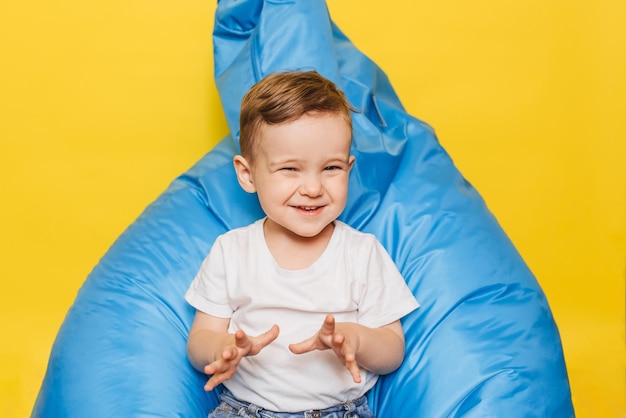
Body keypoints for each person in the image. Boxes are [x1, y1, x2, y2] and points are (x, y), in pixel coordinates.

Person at [185, 70, 419, 418]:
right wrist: (222, 348)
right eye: (291, 169)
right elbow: (199, 339)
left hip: (339, 412)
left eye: (331, 168)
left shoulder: (361, 252)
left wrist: (355, 338)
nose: (312, 187)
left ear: (349, 168)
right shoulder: (231, 251)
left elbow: (392, 350)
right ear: (247, 175)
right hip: (244, 410)